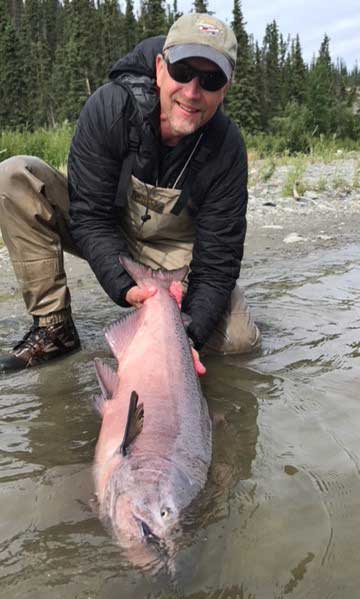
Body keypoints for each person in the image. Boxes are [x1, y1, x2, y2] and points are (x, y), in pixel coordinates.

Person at [0, 13, 260, 373]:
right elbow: (89, 216)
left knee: (239, 341)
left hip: (174, 254)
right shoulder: (110, 109)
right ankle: (53, 327)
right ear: (159, 67)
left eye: (211, 79)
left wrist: (186, 339)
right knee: (15, 176)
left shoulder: (228, 147)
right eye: (183, 72)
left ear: (226, 87)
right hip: (110, 229)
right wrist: (125, 287)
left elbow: (217, 264)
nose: (192, 91)